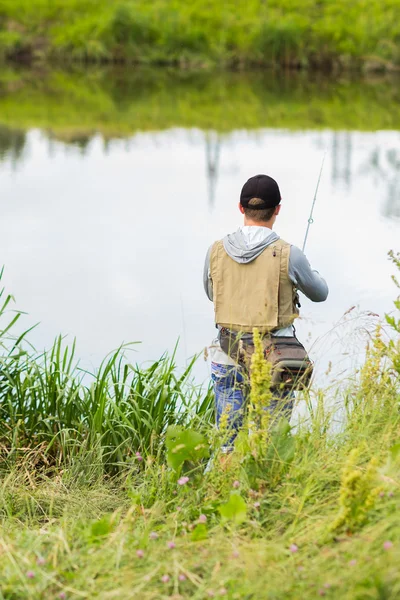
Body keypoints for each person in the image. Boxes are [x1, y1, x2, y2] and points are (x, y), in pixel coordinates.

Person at [203, 174, 328, 452]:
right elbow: (320, 293)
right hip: (276, 361)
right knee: (271, 446)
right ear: (278, 210)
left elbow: (212, 294)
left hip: (226, 354)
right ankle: (265, 492)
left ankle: (221, 490)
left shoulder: (216, 250)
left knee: (226, 444)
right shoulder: (289, 254)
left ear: (240, 208)